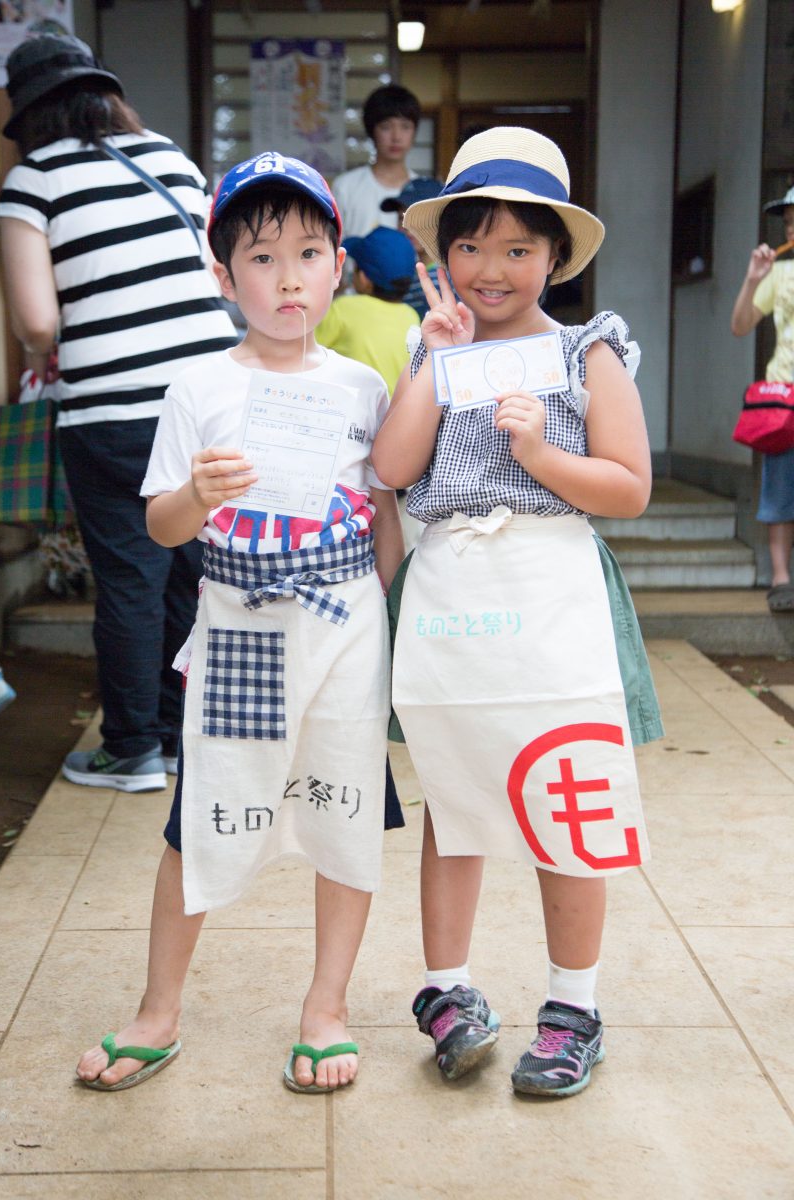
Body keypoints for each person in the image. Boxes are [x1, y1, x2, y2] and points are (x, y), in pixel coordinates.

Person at [76, 151, 404, 1095]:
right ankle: (158, 1011)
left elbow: (380, 510)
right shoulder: (198, 388)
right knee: (205, 817)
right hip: (242, 641)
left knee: (344, 815)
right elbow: (160, 525)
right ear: (223, 277)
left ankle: (326, 1009)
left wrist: (377, 615)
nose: (288, 276)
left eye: (308, 252)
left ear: (337, 263)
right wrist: (196, 492)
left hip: (343, 639)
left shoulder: (358, 389)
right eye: (262, 258)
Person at [372, 126, 654, 1098]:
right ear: (441, 252)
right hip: (452, 597)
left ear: (554, 256)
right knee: (455, 803)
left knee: (564, 803)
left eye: (516, 248)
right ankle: (445, 994)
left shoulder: (587, 350)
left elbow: (625, 487)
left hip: (548, 592)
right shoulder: (434, 347)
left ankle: (573, 1007)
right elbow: (393, 470)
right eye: (469, 245)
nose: (489, 269)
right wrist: (430, 359)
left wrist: (541, 458)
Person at [0, 34, 237, 790]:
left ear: (28, 113)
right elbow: (214, 273)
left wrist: (45, 352)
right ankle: (186, 737)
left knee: (130, 575)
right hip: (210, 395)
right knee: (194, 572)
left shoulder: (31, 180)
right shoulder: (170, 157)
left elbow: (36, 323)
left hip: (113, 408)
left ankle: (132, 747)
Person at [730, 186, 794, 612]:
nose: (791, 228)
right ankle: (782, 580)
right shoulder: (781, 273)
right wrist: (754, 276)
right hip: (784, 395)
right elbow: (740, 325)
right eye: (789, 222)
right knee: (780, 488)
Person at [316, 225, 419, 396]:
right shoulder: (411, 316)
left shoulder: (344, 308)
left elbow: (306, 351)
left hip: (351, 414)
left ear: (364, 278)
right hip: (395, 415)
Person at [330, 84, 420, 240]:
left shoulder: (424, 192)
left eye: (405, 127)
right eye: (386, 127)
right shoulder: (345, 187)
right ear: (372, 131)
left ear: (414, 132)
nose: (396, 137)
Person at [380, 177, 444, 319]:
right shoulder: (411, 273)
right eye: (401, 218)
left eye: (417, 218)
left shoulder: (449, 278)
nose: (407, 226)